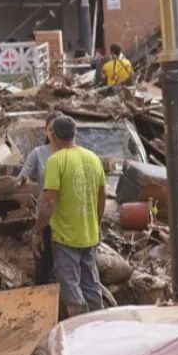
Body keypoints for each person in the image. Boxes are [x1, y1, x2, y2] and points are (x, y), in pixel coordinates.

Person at [30, 116, 108, 317]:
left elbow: (49, 203)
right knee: (91, 285)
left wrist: (37, 232)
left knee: (70, 286)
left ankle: (79, 326)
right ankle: (98, 325)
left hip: (65, 237)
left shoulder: (56, 161)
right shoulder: (93, 158)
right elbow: (102, 198)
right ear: (75, 134)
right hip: (89, 235)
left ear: (53, 136)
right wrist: (96, 225)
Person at [18, 111, 65, 285]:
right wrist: (22, 180)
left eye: (57, 129)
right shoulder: (38, 153)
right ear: (45, 131)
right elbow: (25, 173)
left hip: (67, 216)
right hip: (46, 215)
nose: (53, 134)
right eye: (50, 129)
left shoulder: (72, 153)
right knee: (44, 263)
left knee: (66, 265)